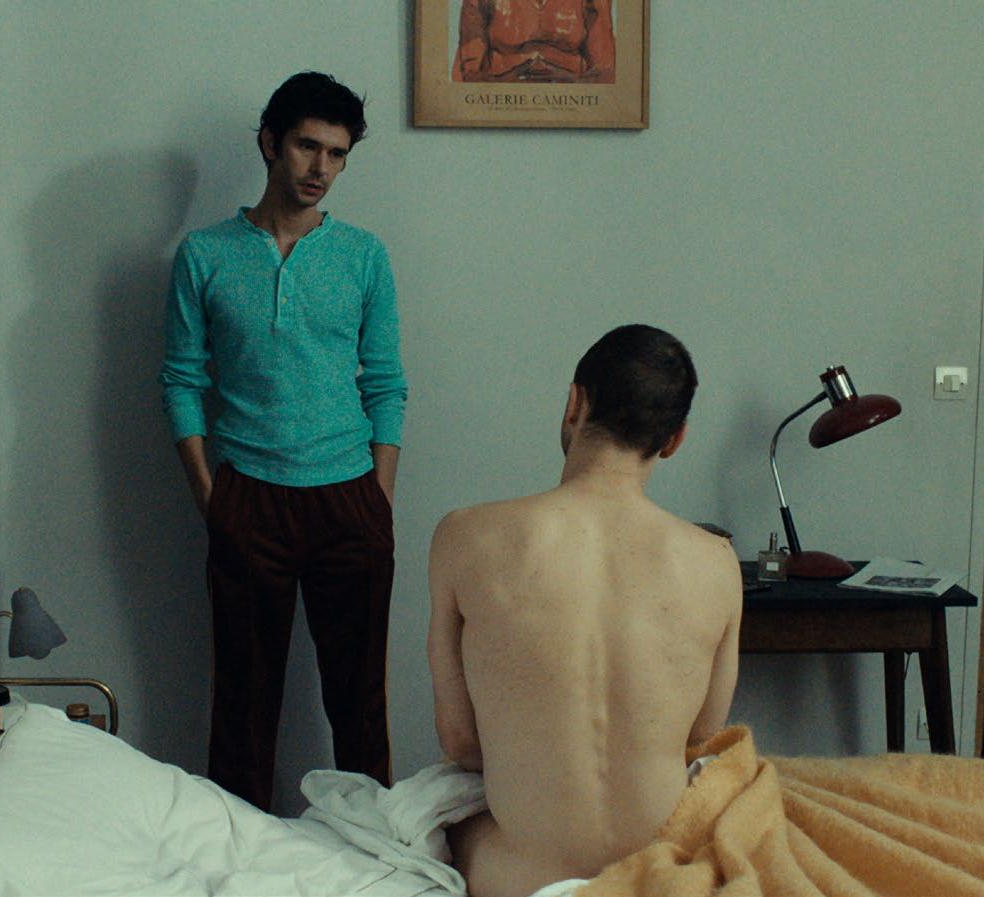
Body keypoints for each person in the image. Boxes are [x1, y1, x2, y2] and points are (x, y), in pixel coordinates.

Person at [158, 72, 407, 812]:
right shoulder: (204, 255)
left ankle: (375, 857)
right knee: (242, 706)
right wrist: (212, 498)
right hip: (249, 499)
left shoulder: (363, 256)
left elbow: (386, 383)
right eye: (306, 146)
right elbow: (180, 380)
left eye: (336, 154)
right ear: (270, 143)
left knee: (359, 705)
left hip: (348, 496)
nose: (320, 168)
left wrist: (378, 497)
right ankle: (236, 856)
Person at [427, 325, 740, 897]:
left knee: (445, 823)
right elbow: (702, 735)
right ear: (675, 439)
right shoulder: (717, 563)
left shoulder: (464, 536)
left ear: (575, 403)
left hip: (518, 878)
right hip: (653, 875)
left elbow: (460, 744)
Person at [453, 0, 617, 84]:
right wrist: (511, 81)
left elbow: (606, 73)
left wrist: (568, 81)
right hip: (502, 105)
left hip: (569, 105)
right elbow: (466, 75)